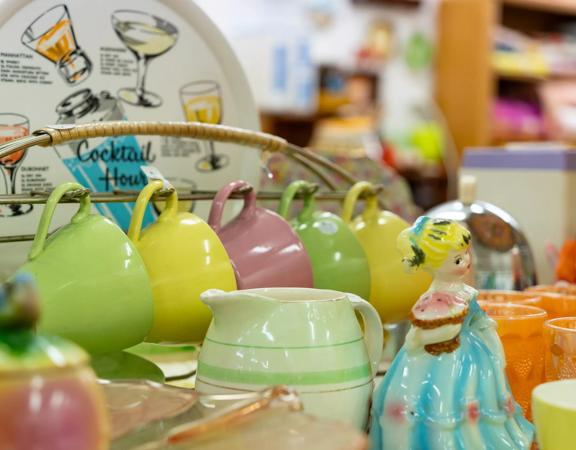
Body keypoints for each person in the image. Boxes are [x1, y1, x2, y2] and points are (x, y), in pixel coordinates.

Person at [370, 217, 533, 450]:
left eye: (467, 253)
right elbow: (424, 333)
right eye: (458, 258)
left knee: (476, 398)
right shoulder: (434, 299)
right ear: (433, 266)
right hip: (438, 361)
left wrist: (485, 327)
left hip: (472, 356)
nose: (466, 261)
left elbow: (476, 316)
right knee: (438, 400)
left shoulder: (465, 291)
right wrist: (425, 336)